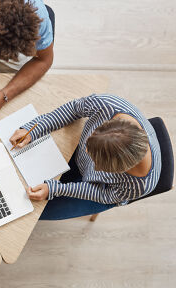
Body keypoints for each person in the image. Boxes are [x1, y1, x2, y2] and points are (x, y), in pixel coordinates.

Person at [9, 94, 162, 220]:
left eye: (96, 161)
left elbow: (105, 194)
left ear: (119, 170)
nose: (86, 152)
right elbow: (74, 109)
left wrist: (56, 189)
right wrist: (34, 129)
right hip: (77, 161)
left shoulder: (140, 185)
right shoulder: (108, 105)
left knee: (31, 212)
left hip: (101, 189)